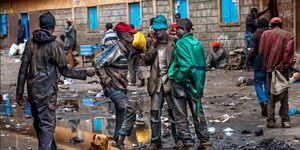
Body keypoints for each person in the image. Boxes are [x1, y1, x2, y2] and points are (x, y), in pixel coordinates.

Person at [16, 12, 95, 150]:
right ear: (53, 27)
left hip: (32, 90)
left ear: (41, 26)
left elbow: (23, 69)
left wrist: (19, 92)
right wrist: (85, 73)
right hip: (47, 93)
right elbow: (65, 71)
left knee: (40, 123)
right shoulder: (55, 45)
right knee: (46, 125)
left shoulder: (30, 42)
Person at [93, 22, 137, 150]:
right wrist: (105, 79)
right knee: (129, 111)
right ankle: (121, 139)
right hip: (113, 87)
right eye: (131, 34)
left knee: (121, 113)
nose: (133, 37)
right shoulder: (115, 48)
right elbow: (97, 62)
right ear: (124, 35)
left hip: (121, 86)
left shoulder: (126, 49)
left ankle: (117, 142)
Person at [168, 19, 211, 150]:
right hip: (196, 83)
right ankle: (204, 141)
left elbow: (185, 65)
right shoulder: (197, 43)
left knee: (180, 113)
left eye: (178, 29)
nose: (176, 32)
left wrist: (179, 78)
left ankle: (188, 142)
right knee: (197, 111)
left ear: (184, 30)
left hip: (183, 83)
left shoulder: (181, 43)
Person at [144, 15, 180, 149]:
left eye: (159, 30)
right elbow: (146, 61)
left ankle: (177, 139)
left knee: (173, 112)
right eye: (155, 30)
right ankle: (155, 140)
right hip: (156, 83)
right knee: (154, 113)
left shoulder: (174, 42)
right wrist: (153, 45)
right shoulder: (152, 43)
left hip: (171, 82)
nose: (157, 32)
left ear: (165, 29)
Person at [259, 17, 294, 128]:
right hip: (283, 70)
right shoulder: (288, 35)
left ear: (271, 25)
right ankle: (285, 120)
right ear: (281, 24)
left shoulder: (265, 34)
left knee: (270, 95)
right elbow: (289, 53)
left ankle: (271, 120)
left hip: (270, 69)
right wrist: (285, 65)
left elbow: (261, 52)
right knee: (284, 94)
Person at [246, 18, 270, 117]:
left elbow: (252, 50)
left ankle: (263, 100)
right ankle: (268, 102)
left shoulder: (256, 34)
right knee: (267, 82)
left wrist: (247, 61)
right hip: (270, 62)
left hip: (259, 62)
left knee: (258, 83)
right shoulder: (271, 33)